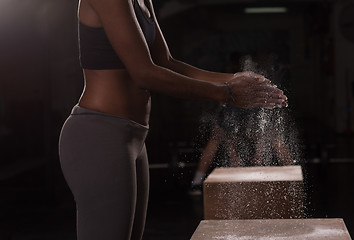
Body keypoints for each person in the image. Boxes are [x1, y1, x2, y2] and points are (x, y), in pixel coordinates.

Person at [58, 0, 287, 239]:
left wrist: (233, 79)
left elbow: (165, 63)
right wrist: (225, 93)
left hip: (133, 137)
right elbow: (144, 74)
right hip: (99, 134)